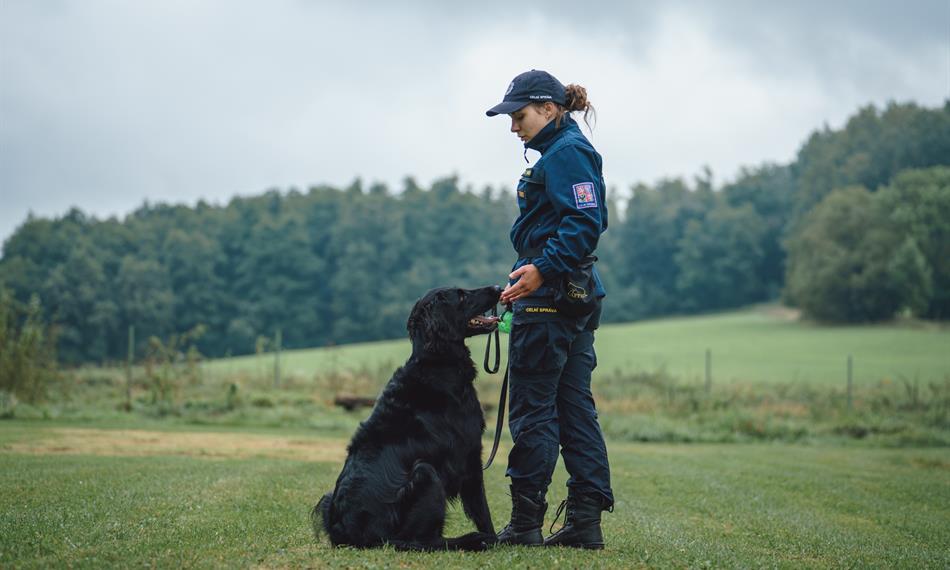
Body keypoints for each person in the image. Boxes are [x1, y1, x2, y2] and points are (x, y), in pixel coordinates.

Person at [486, 69, 614, 549]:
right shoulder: (561, 152)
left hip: (552, 300)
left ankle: (524, 526)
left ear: (548, 109)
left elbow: (585, 221)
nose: (513, 127)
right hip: (570, 296)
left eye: (519, 116)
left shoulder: (567, 153)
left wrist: (541, 270)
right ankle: (585, 524)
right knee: (574, 410)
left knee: (534, 411)